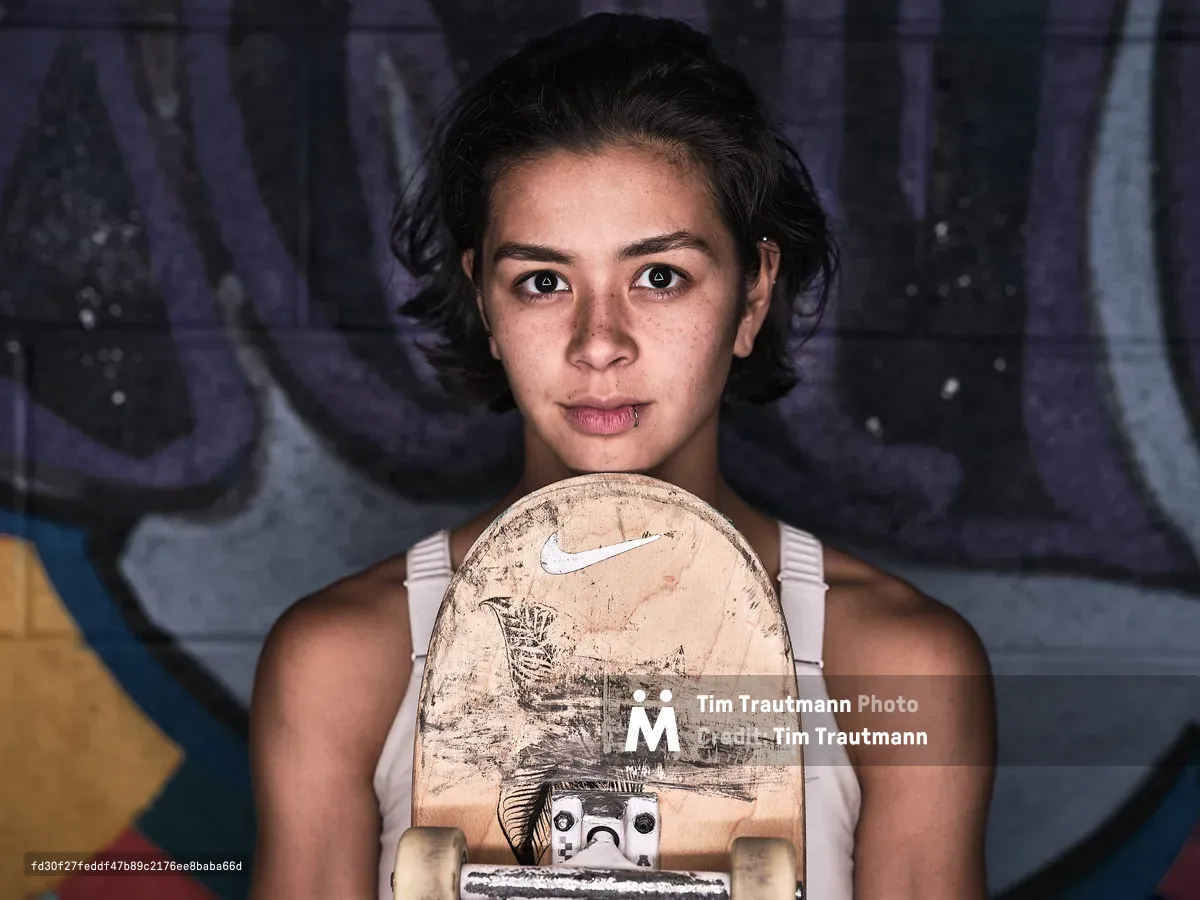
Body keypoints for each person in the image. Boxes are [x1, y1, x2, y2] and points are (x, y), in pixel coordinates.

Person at [247, 13, 996, 900]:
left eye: (659, 277)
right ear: (486, 303)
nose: (598, 343)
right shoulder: (342, 665)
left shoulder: (903, 669)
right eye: (543, 282)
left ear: (753, 293)